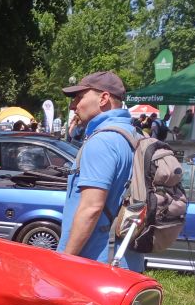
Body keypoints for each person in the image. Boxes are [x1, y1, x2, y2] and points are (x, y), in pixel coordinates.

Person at [58, 71, 143, 272]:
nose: (73, 106)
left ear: (103, 98)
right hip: (127, 260)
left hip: (96, 264)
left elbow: (91, 208)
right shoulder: (134, 135)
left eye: (79, 97)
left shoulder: (102, 141)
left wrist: (65, 261)